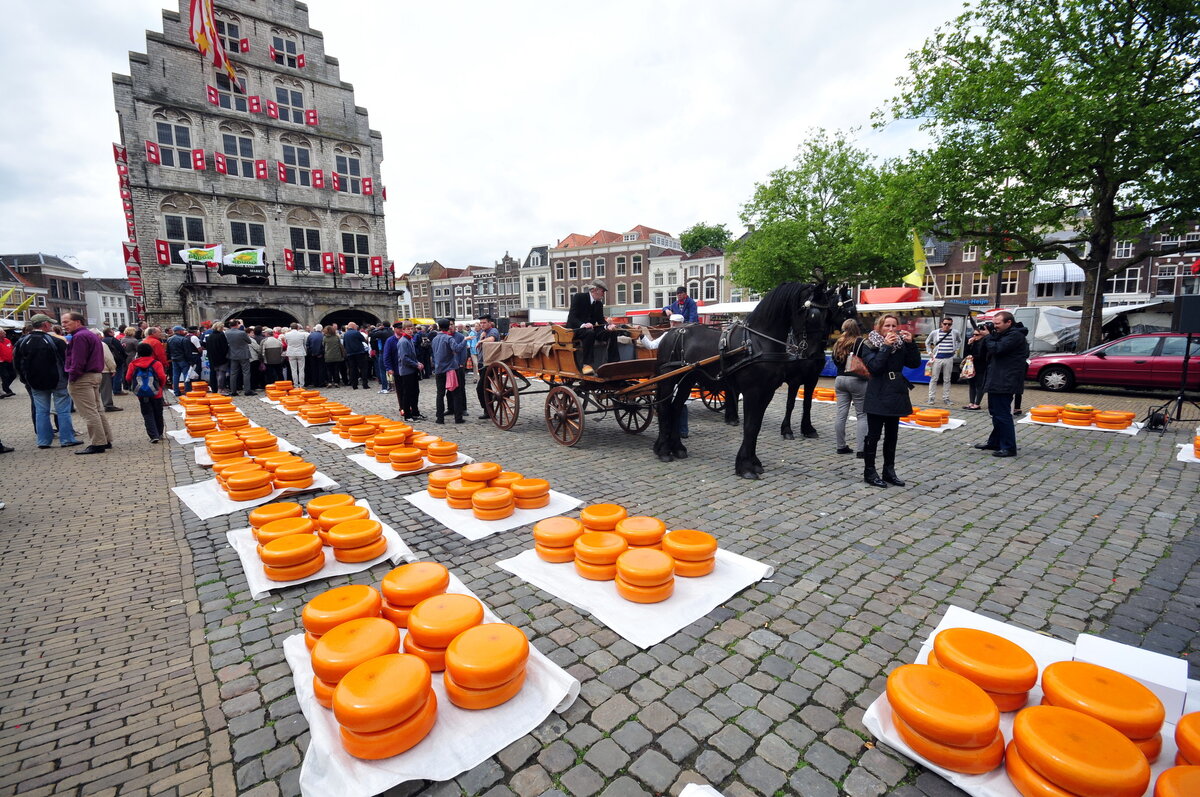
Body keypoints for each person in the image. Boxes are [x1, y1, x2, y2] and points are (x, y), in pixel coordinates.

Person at [861, 314, 920, 487]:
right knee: (874, 435)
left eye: (894, 326)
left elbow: (914, 363)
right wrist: (886, 346)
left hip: (896, 393)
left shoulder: (900, 345)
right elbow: (875, 367)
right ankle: (869, 471)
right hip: (878, 392)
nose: (891, 329)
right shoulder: (869, 344)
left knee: (892, 435)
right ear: (879, 327)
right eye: (887, 326)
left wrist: (911, 344)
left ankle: (889, 470)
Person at [13, 314, 81, 449]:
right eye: (49, 324)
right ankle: (67, 438)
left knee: (41, 411)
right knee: (62, 411)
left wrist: (24, 379)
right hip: (58, 381)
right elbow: (66, 360)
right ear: (45, 325)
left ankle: (43, 441)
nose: (50, 326)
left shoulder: (22, 342)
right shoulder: (55, 341)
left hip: (34, 382)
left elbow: (16, 362)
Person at [974, 311, 1030, 458]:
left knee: (1003, 414)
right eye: (994, 323)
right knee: (995, 413)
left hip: (1005, 380)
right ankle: (995, 442)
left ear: (1008, 322)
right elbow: (985, 353)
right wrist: (983, 338)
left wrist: (988, 337)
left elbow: (996, 349)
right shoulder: (1002, 335)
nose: (995, 326)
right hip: (997, 379)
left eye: (998, 323)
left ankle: (1009, 447)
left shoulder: (1015, 336)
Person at [62, 312, 113, 455]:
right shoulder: (90, 335)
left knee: (89, 412)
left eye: (66, 322)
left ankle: (98, 443)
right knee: (97, 409)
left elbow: (78, 360)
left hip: (83, 377)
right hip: (95, 375)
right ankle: (105, 439)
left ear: (78, 322)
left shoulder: (79, 337)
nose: (64, 325)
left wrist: (72, 376)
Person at [634, 314, 689, 436]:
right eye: (671, 323)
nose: (673, 325)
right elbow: (651, 346)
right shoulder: (667, 335)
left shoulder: (687, 337)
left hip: (683, 371)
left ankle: (683, 430)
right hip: (669, 372)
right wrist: (642, 335)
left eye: (675, 323)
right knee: (672, 400)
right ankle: (675, 430)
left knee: (683, 401)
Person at [830, 318, 868, 457]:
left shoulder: (838, 343)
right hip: (856, 380)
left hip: (840, 380)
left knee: (841, 414)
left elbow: (835, 360)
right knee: (862, 415)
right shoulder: (860, 342)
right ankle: (861, 449)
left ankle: (841, 446)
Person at [567, 280, 620, 373]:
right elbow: (572, 317)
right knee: (589, 333)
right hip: (576, 329)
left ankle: (613, 362)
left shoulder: (599, 304)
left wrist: (607, 326)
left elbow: (600, 321)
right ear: (595, 290)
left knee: (612, 332)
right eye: (603, 292)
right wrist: (583, 325)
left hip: (590, 329)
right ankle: (586, 365)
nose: (603, 295)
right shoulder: (579, 297)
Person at [126, 342, 167, 443]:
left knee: (147, 413)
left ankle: (153, 435)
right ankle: (160, 433)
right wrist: (160, 387)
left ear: (138, 352)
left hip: (142, 393)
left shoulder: (133, 364)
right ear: (151, 352)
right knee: (158, 413)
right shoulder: (156, 363)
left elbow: (128, 377)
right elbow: (162, 377)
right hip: (156, 393)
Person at [431, 318, 468, 424]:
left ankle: (440, 418)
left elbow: (434, 353)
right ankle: (458, 417)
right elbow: (457, 348)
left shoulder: (435, 339)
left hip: (439, 369)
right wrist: (465, 340)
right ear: (448, 327)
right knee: (456, 393)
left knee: (440, 394)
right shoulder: (449, 338)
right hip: (450, 369)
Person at [384, 321, 423, 419]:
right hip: (405, 371)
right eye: (408, 329)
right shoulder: (402, 341)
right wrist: (389, 368)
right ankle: (407, 414)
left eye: (411, 329)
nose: (410, 331)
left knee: (415, 392)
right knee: (406, 393)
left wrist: (417, 363)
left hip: (412, 370)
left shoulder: (410, 340)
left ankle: (415, 412)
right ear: (403, 330)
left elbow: (412, 355)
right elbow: (404, 358)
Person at [925, 317, 960, 407]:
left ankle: (946, 398)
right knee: (934, 378)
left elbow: (959, 341)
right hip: (937, 358)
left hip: (949, 358)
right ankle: (931, 397)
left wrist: (955, 349)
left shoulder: (955, 332)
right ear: (941, 324)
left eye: (949, 324)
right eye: (945, 324)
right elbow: (927, 342)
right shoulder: (935, 332)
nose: (947, 326)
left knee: (947, 379)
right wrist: (930, 353)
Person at [473, 315, 502, 419]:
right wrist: (481, 337)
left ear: (490, 323)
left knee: (480, 388)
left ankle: (488, 409)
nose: (482, 325)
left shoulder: (493, 330)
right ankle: (488, 411)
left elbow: (492, 339)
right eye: (481, 323)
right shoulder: (481, 332)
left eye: (484, 323)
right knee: (486, 387)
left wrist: (481, 341)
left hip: (489, 364)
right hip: (482, 362)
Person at [962, 324, 989, 410]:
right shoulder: (973, 343)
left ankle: (977, 403)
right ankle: (971, 402)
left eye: (977, 335)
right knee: (971, 384)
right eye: (973, 334)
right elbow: (965, 354)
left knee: (979, 385)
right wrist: (969, 344)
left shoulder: (984, 342)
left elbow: (982, 355)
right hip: (971, 367)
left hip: (981, 366)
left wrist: (973, 356)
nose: (974, 336)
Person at [225, 319, 255, 396]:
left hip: (233, 354)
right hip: (243, 354)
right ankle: (247, 390)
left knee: (233, 373)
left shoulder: (227, 333)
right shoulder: (241, 333)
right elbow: (249, 341)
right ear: (237, 325)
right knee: (246, 372)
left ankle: (233, 391)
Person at [166, 326, 195, 396]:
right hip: (183, 360)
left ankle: (176, 391)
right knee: (186, 375)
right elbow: (187, 352)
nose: (184, 331)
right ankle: (187, 390)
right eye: (182, 330)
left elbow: (168, 351)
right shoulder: (184, 339)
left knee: (175, 375)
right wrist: (191, 361)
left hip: (174, 359)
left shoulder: (169, 339)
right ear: (179, 331)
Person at [342, 322, 370, 389]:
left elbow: (344, 344)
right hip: (359, 353)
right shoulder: (356, 333)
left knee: (352, 369)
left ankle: (354, 385)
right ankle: (365, 384)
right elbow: (363, 339)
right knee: (363, 368)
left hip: (350, 354)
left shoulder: (345, 334)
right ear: (353, 326)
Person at [102, 328, 127, 397]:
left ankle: (112, 389)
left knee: (111, 376)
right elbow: (120, 349)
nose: (114, 333)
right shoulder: (114, 340)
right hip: (116, 359)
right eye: (112, 332)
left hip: (106, 359)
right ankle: (117, 390)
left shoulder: (103, 340)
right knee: (118, 375)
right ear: (109, 333)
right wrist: (124, 357)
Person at [206, 322, 230, 394]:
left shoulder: (210, 336)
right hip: (221, 357)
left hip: (213, 357)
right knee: (222, 373)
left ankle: (217, 388)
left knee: (216, 373)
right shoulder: (221, 335)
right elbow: (225, 347)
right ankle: (221, 389)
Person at [369, 323, 393, 393]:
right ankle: (392, 386)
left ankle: (384, 388)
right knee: (391, 370)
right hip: (391, 352)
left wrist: (377, 329)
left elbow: (371, 334)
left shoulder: (381, 333)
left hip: (382, 352)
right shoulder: (392, 332)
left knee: (382, 370)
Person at [0, 331, 17, 397]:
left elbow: (11, 348)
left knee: (13, 375)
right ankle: (6, 389)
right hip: (1, 362)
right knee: (5, 376)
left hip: (9, 361)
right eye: (2, 332)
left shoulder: (7, 340)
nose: (5, 333)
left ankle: (5, 387)